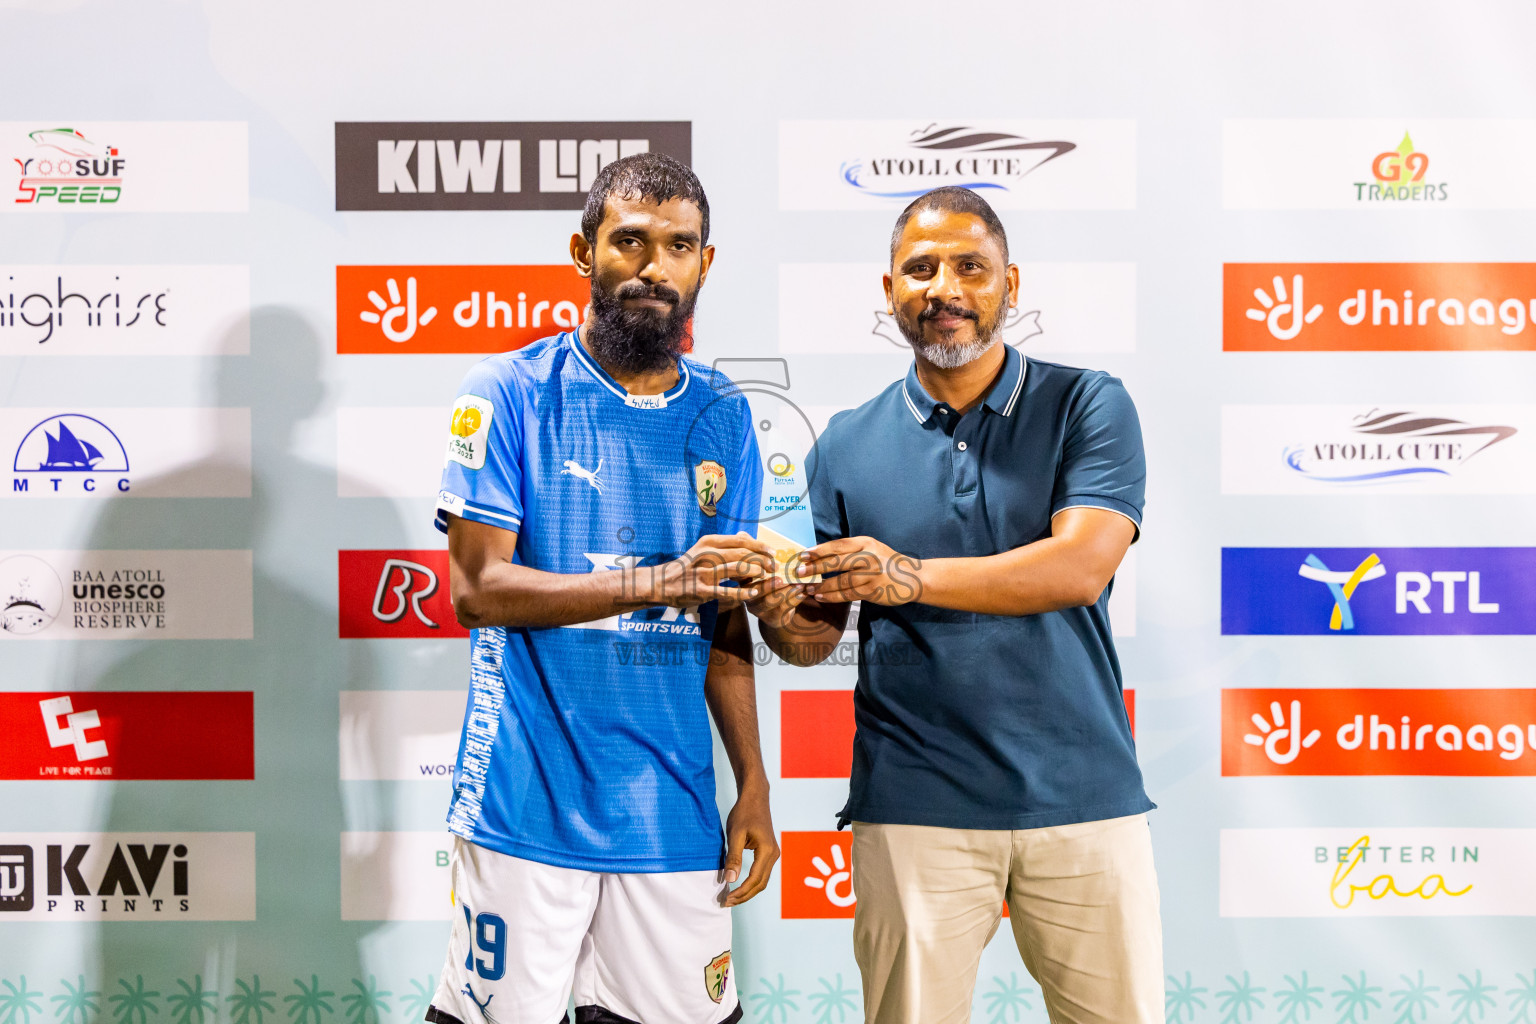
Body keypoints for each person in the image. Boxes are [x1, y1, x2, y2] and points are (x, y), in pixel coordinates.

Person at [750, 186, 1163, 1023]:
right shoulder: (845, 441)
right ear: (889, 290)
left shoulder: (1088, 403)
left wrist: (903, 575)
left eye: (971, 266)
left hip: (1082, 797)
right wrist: (776, 600)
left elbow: (1081, 566)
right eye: (921, 268)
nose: (946, 287)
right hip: (915, 806)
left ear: (1012, 284)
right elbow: (810, 638)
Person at [426, 152, 779, 1024]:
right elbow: (476, 590)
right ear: (584, 254)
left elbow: (723, 627)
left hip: (671, 805)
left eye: (678, 246)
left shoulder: (725, 413)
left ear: (705, 263)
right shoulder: (505, 389)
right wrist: (662, 577)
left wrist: (755, 783)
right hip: (526, 796)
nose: (653, 266)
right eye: (629, 241)